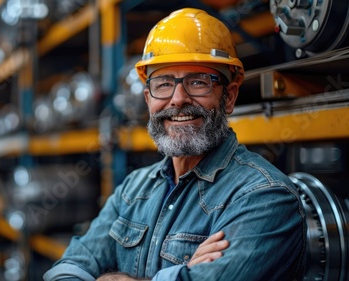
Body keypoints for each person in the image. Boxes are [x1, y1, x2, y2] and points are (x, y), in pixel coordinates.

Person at [44, 8, 306, 281]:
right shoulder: (133, 190)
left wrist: (110, 277)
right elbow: (66, 270)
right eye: (164, 83)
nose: (178, 99)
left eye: (198, 81)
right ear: (148, 99)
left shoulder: (265, 197)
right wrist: (179, 275)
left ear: (229, 96)